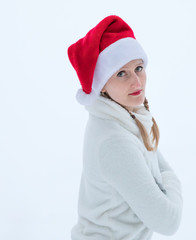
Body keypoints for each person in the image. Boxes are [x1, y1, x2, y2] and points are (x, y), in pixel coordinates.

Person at [67, 15, 183, 240]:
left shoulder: (126, 117)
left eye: (138, 68)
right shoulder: (115, 141)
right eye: (121, 73)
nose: (136, 82)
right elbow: (168, 221)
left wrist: (165, 179)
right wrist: (172, 181)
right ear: (102, 86)